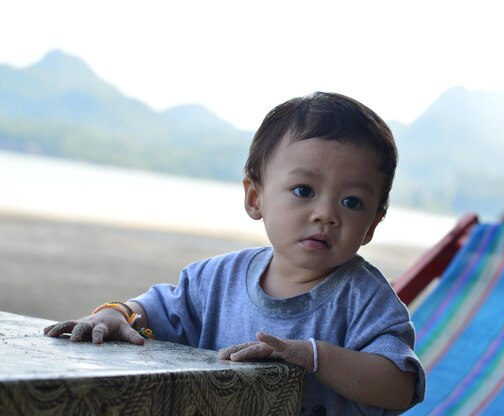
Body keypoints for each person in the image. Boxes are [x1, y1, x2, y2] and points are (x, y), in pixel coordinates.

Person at [44, 92, 426, 415]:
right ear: (255, 197)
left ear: (373, 223)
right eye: (304, 191)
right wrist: (117, 313)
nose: (326, 213)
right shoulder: (215, 280)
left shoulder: (366, 299)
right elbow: (154, 313)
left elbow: (399, 387)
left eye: (351, 201)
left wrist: (312, 356)